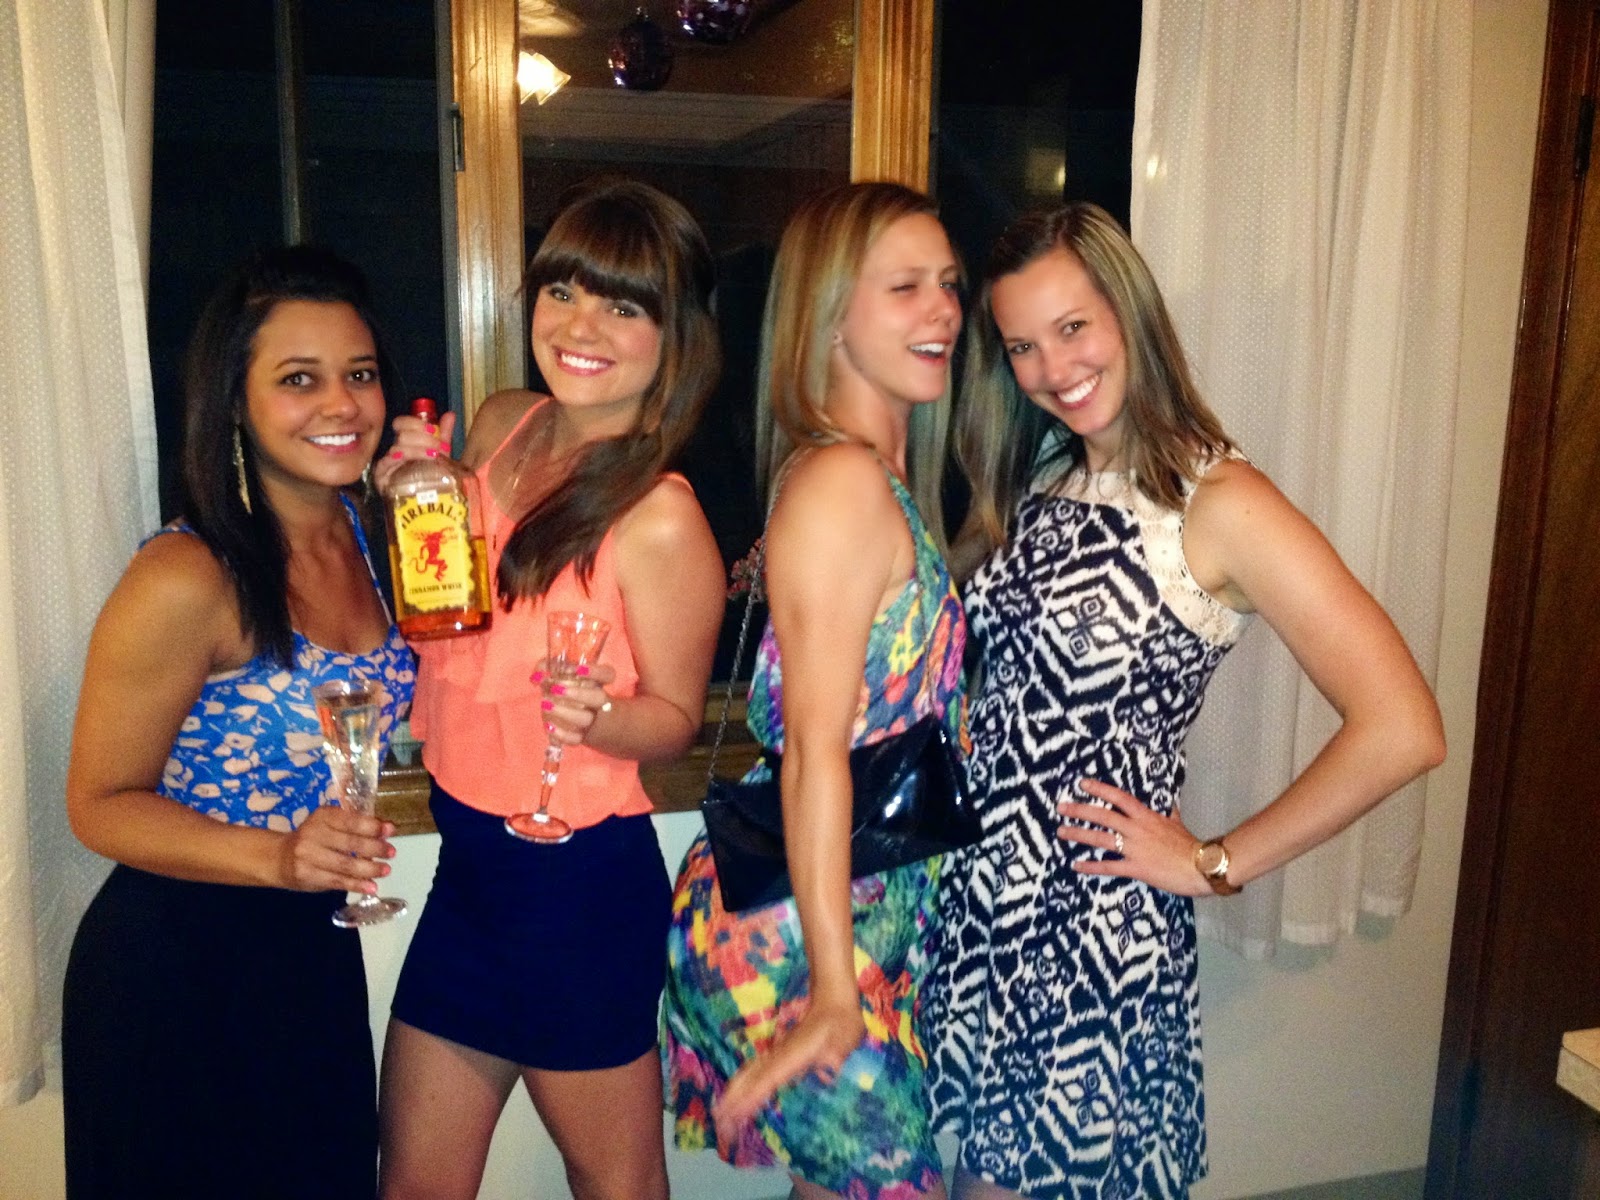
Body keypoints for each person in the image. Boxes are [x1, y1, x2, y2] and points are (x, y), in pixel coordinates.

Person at [922, 202, 1448, 1200]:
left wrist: (1214, 862)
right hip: (986, 905)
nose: (1052, 368)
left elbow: (1403, 727)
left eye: (1073, 327)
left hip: (1085, 930)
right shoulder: (1047, 473)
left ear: (1129, 314)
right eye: (1022, 346)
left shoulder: (1219, 501)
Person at [373, 178, 725, 1200]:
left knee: (615, 1183)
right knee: (415, 1184)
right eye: (563, 289)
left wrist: (605, 720)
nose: (579, 326)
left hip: (574, 891)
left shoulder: (660, 514)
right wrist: (406, 498)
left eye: (623, 305)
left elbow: (675, 721)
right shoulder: (501, 424)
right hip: (471, 874)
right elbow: (446, 609)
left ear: (674, 336)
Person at [61, 245, 416, 1200]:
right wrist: (280, 858)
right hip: (179, 961)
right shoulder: (189, 574)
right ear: (234, 401)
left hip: (310, 947)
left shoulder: (376, 537)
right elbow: (98, 803)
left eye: (360, 374)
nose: (341, 404)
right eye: (298, 379)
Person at [661, 181, 968, 1200]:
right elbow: (814, 754)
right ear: (830, 316)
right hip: (806, 929)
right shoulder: (842, 485)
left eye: (948, 284)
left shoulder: (874, 479)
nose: (943, 309)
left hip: (848, 904)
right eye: (905, 287)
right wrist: (837, 993)